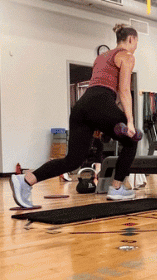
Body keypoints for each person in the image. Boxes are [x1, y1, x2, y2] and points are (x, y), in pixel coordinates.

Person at [10, 24, 140, 207]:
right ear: (131, 39)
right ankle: (117, 188)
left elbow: (114, 93)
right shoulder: (127, 56)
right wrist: (130, 123)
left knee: (73, 160)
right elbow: (125, 91)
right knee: (131, 141)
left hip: (82, 105)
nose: (135, 47)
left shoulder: (101, 57)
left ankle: (26, 180)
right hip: (100, 103)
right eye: (136, 43)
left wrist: (111, 120)